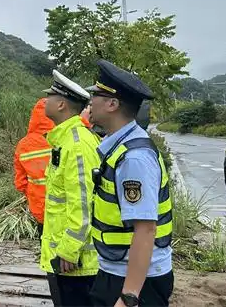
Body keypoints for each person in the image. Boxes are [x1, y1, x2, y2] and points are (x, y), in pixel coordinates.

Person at [86, 59, 174, 307]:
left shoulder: (134, 158)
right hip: (116, 268)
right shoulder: (120, 146)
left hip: (135, 280)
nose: (90, 102)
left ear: (112, 104)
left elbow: (145, 229)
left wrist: (129, 297)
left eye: (96, 96)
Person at [40, 70, 101, 307]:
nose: (45, 100)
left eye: (50, 96)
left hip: (75, 262)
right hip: (67, 258)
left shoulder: (76, 145)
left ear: (61, 104)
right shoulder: (65, 140)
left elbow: (84, 202)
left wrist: (69, 248)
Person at [13, 98, 55, 236]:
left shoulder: (23, 145)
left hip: (39, 208)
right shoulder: (60, 139)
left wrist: (33, 195)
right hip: (63, 208)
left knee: (45, 242)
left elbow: (20, 183)